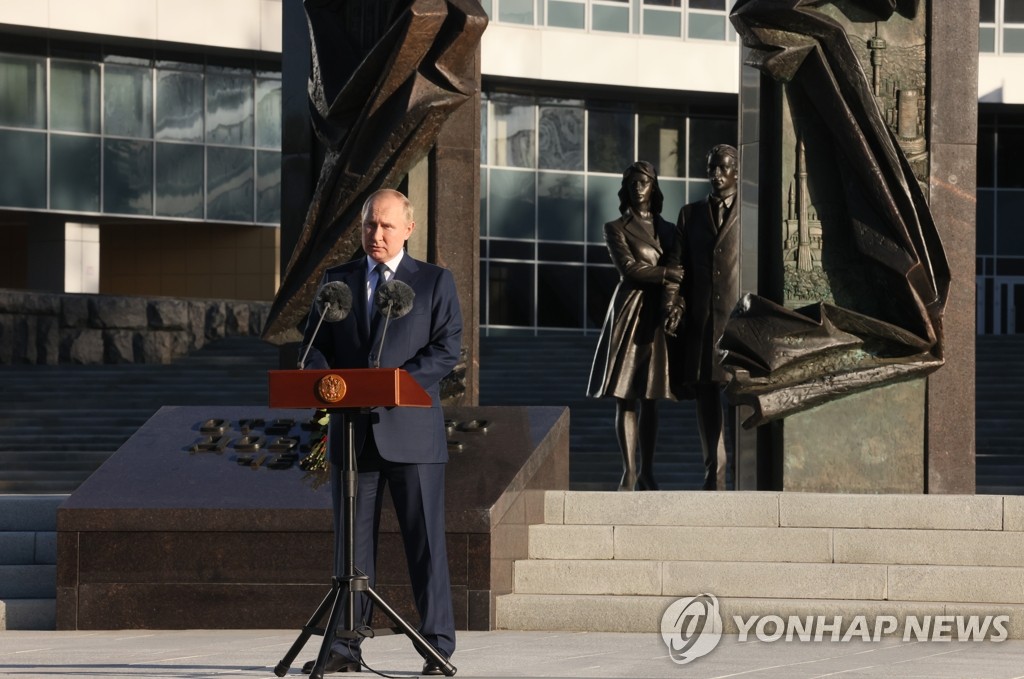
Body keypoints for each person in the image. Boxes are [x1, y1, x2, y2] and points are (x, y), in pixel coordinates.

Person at [299, 188, 462, 675]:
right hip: (352, 437)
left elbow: (446, 347)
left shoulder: (434, 282)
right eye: (370, 225)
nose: (377, 234)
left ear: (408, 229)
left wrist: (394, 386)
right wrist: (331, 383)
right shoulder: (338, 282)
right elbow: (314, 347)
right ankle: (345, 648)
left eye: (387, 226)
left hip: (411, 434)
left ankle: (436, 647)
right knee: (352, 549)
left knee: (425, 545)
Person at [587, 161, 682, 491]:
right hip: (630, 310)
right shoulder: (615, 227)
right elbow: (629, 269)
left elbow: (678, 263)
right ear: (625, 188)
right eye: (633, 182)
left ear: (653, 187)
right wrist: (668, 274)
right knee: (625, 395)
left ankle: (648, 471)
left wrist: (675, 297)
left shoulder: (669, 229)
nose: (638, 187)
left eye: (644, 182)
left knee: (651, 396)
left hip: (657, 313)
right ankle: (628, 471)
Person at [665, 144, 739, 491]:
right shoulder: (689, 215)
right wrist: (672, 305)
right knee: (708, 395)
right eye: (712, 167)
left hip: (742, 322)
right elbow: (677, 268)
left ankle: (748, 468)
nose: (716, 174)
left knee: (744, 394)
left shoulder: (752, 212)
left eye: (723, 168)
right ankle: (714, 471)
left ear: (737, 171)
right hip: (704, 321)